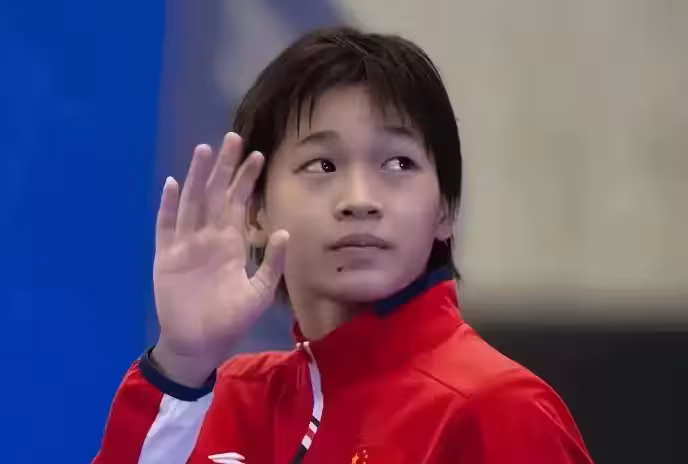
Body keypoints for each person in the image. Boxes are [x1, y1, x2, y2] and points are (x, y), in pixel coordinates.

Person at [93, 27, 593, 464]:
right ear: (255, 210)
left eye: (398, 163)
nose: (360, 200)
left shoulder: (496, 410)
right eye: (323, 165)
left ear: (445, 211)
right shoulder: (221, 402)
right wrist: (181, 362)